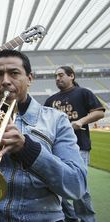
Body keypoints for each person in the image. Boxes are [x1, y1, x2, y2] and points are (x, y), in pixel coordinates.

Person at [0, 49, 87, 222]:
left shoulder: (57, 119)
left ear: (29, 79)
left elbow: (77, 186)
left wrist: (28, 150)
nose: (5, 81)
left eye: (14, 73)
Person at [44, 66, 105, 222]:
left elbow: (99, 112)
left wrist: (81, 121)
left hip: (80, 146)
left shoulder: (83, 93)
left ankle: (87, 219)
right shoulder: (51, 100)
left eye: (61, 75)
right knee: (55, 185)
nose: (57, 78)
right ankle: (71, 218)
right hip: (55, 148)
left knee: (79, 189)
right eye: (56, 76)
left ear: (71, 76)